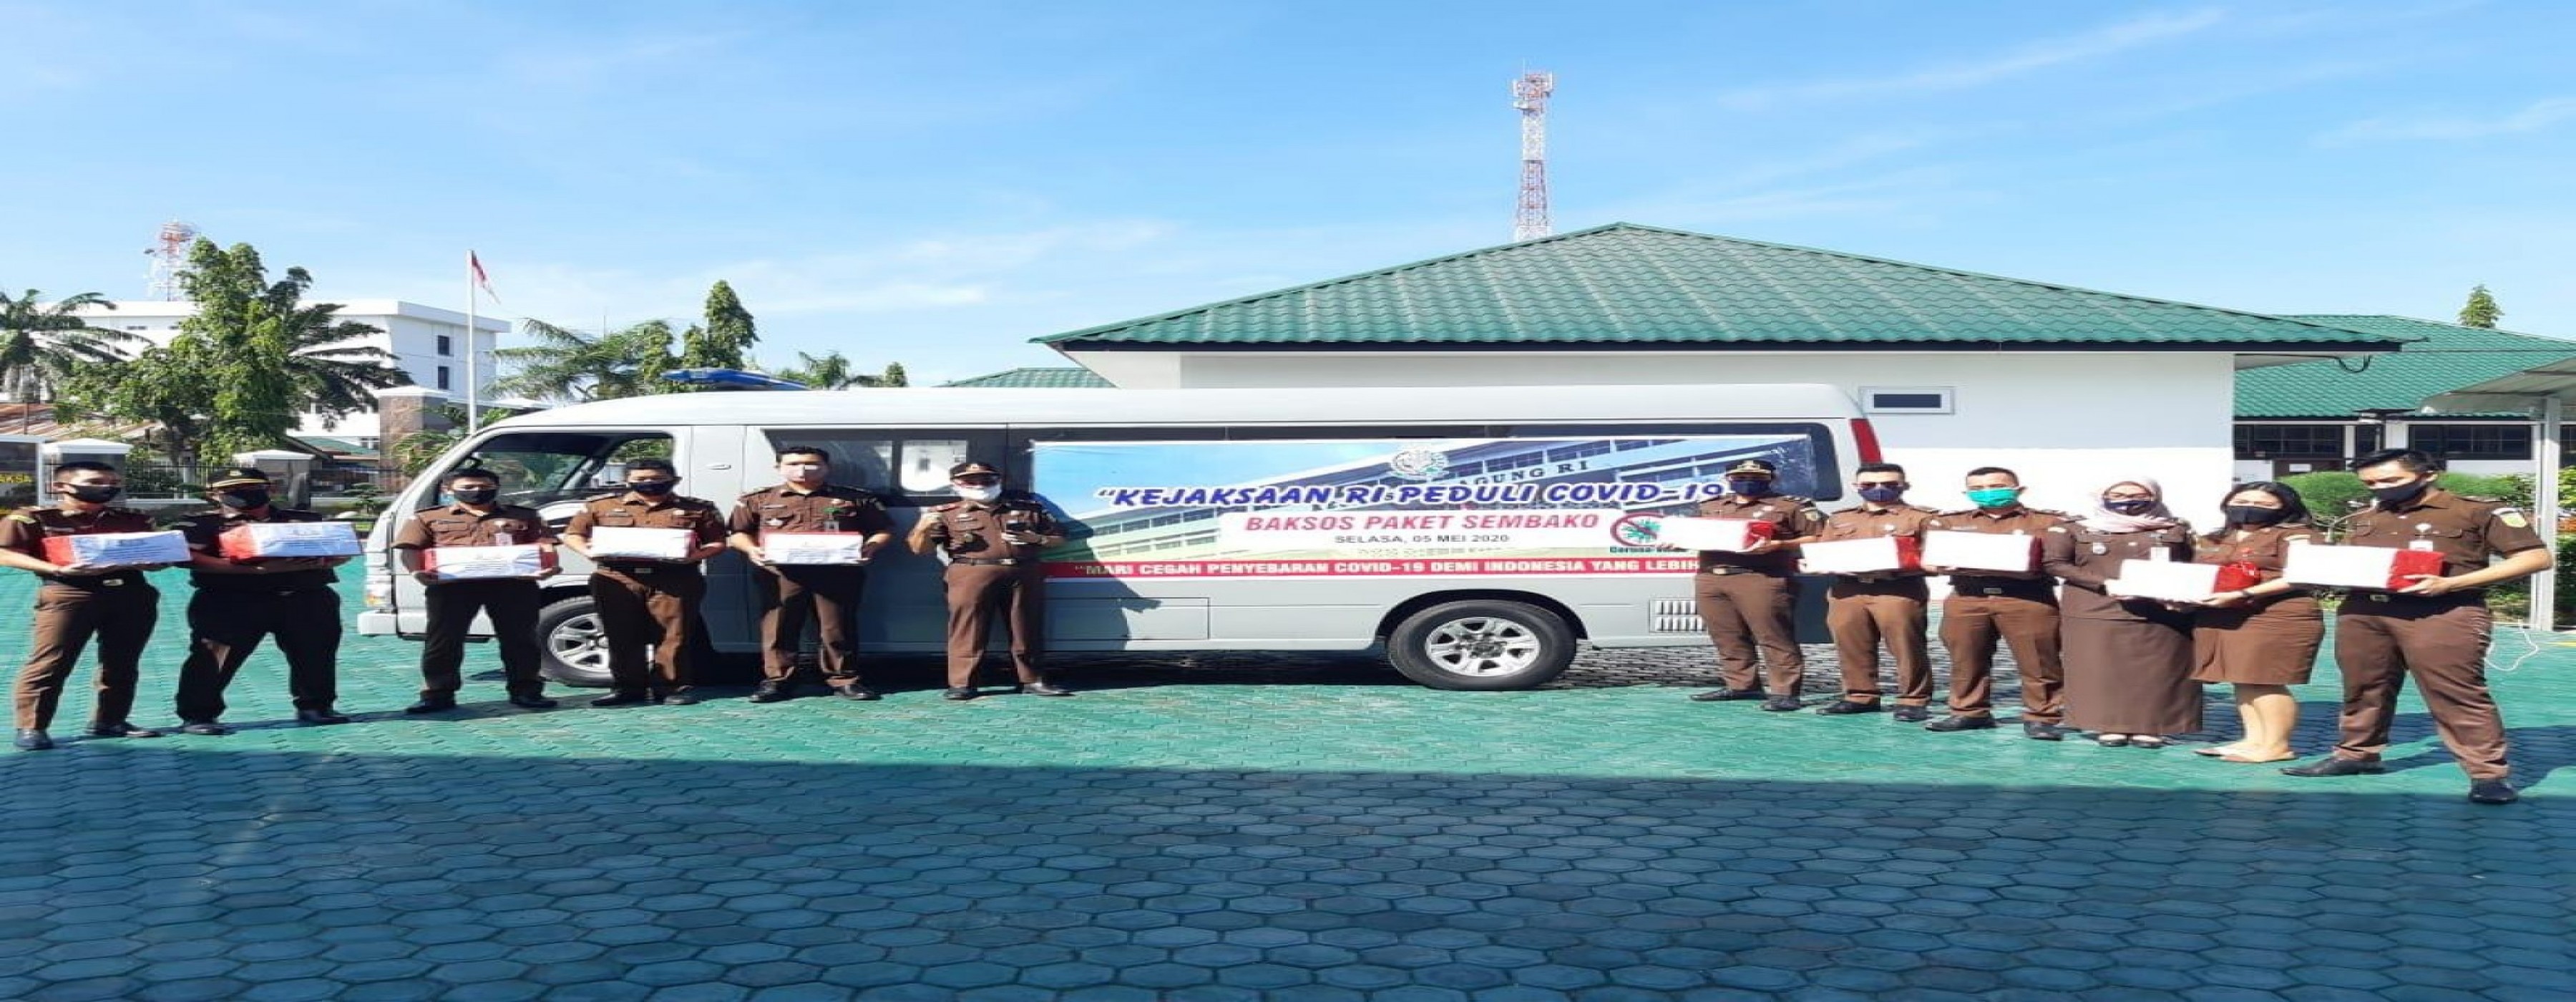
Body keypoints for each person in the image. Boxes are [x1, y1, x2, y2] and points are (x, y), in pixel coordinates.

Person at [2282, 449, 2552, 805]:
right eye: (2371, 483)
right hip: (2365, 611)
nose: (2381, 488)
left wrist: (2451, 583)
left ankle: (2488, 774)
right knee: (2364, 687)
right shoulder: (2366, 517)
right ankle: (2356, 754)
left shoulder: (2475, 511)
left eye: (2391, 480)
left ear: (2428, 474)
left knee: (2456, 693)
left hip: (2443, 610)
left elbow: (2536, 558)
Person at [0, 463, 171, 750]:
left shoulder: (134, 519)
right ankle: (32, 727)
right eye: (95, 481)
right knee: (52, 661)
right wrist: (56, 569)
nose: (107, 487)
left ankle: (110, 720)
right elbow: (6, 553)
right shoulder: (32, 519)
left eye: (113, 482)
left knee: (123, 661)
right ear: (60, 487)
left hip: (130, 592)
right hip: (70, 592)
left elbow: (161, 555)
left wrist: (156, 562)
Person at [172, 467, 354, 734]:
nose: (245, 493)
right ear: (213, 495)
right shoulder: (201, 524)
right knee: (213, 657)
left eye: (254, 487)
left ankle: (316, 705)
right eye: (233, 490)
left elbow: (340, 549)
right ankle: (198, 714)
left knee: (315, 653)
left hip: (305, 597)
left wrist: (330, 558)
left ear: (270, 490)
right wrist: (246, 570)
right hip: (231, 601)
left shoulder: (303, 520)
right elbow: (184, 556)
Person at [2042, 477, 2202, 749]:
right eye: (2118, 495)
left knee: (2158, 672)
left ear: (2155, 497)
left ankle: (2152, 727)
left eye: (2138, 495)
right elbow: (2055, 563)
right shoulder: (2075, 528)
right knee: (2100, 670)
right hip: (2096, 609)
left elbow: (2191, 563)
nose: (2127, 500)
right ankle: (2107, 725)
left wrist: (2181, 593)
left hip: (2161, 612)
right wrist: (2104, 583)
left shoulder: (2175, 528)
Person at [728, 446, 897, 702]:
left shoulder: (855, 498)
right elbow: (737, 532)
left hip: (837, 573)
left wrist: (870, 548)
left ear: (827, 468)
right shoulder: (758, 499)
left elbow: (883, 529)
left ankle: (844, 679)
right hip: (781, 574)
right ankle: (778, 681)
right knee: (779, 627)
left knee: (837, 628)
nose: (803, 469)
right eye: (793, 464)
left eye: (811, 464)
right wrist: (751, 550)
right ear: (779, 468)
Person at [391, 467, 561, 713]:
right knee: (443, 641)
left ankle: (527, 691)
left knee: (521, 640)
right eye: (468, 487)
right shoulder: (427, 518)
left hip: (514, 586)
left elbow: (545, 545)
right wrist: (416, 573)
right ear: (449, 490)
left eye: (484, 487)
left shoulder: (523, 516)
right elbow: (410, 549)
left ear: (496, 488)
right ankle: (437, 694)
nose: (477, 491)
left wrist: (550, 567)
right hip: (451, 588)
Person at [561, 458, 729, 707]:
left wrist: (696, 556)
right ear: (627, 480)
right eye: (641, 480)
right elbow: (573, 534)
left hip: (675, 578)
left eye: (658, 479)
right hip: (617, 578)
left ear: (675, 480)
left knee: (674, 635)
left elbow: (718, 542)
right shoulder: (601, 505)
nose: (650, 483)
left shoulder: (698, 508)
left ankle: (671, 688)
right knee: (621, 634)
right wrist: (587, 551)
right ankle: (627, 688)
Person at [1921, 467, 2069, 739]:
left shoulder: (2050, 522)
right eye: (1977, 489)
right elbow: (1929, 561)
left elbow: (2062, 559)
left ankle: (2043, 717)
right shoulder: (1948, 523)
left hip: (2027, 597)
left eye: (1996, 486)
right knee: (1966, 658)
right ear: (1967, 493)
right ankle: (1969, 712)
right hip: (1968, 597)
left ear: (2018, 489)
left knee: (2039, 660)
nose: (1987, 493)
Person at [907, 461, 1073, 701]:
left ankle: (1033, 679)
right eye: (971, 481)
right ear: (956, 484)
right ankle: (962, 684)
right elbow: (919, 549)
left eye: (987, 480)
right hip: (971, 573)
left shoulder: (1028, 508)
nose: (980, 485)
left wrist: (1035, 538)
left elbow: (1060, 538)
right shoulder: (945, 513)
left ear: (999, 481)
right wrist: (923, 529)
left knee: (1026, 628)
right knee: (968, 629)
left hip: (1023, 572)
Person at [2187, 482, 2323, 764]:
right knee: (2243, 679)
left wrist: (2245, 593)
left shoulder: (2297, 535)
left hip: (2275, 614)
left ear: (2286, 507)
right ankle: (2253, 740)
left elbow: (2305, 575)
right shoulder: (2216, 537)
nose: (2249, 508)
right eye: (2242, 501)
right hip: (2224, 615)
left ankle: (2276, 746)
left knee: (2266, 681)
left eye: (2263, 504)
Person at [1682, 458, 1825, 711]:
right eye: (1740, 478)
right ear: (1728, 480)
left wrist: (1780, 545)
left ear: (1772, 479)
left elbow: (1820, 537)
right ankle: (1742, 685)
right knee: (1726, 635)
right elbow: (1690, 533)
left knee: (1773, 636)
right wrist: (1675, 539)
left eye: (1757, 478)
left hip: (1760, 577)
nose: (1748, 482)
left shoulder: (1791, 506)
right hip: (1711, 577)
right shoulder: (1711, 506)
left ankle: (1785, 693)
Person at [1807, 462, 1937, 719]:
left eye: (1889, 484)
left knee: (1906, 645)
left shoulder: (1922, 518)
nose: (1879, 489)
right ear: (1856, 487)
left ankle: (1913, 700)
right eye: (1869, 485)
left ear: (1905, 486)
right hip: (1848, 589)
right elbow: (1825, 550)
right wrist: (1816, 563)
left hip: (1897, 589)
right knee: (1850, 643)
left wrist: (1908, 560)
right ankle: (1860, 695)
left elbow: (1936, 555)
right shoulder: (1840, 518)